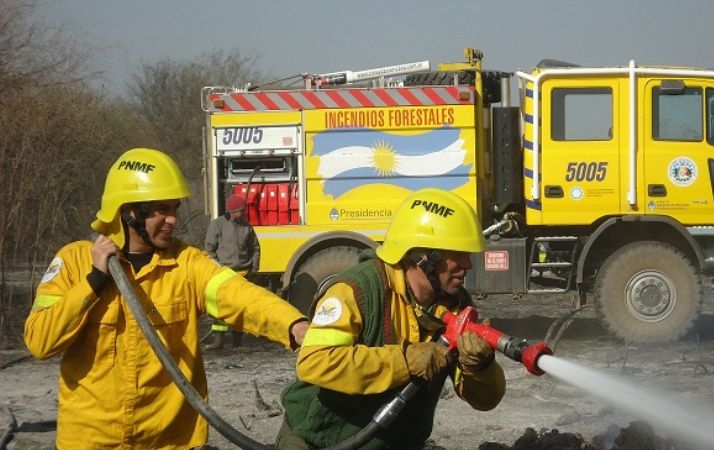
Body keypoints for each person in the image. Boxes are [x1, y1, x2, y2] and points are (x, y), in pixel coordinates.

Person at [24, 147, 308, 449]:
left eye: (175, 208)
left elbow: (241, 296)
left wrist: (294, 325)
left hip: (168, 442)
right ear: (129, 211)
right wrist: (94, 281)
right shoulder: (73, 262)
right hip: (90, 441)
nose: (173, 219)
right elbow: (41, 342)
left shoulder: (186, 265)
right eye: (162, 209)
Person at [278, 188, 506, 449]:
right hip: (316, 440)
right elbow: (314, 362)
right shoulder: (356, 290)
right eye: (458, 254)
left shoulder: (457, 307)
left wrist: (480, 368)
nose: (468, 265)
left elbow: (484, 401)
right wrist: (405, 361)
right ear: (421, 256)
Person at [203, 193, 260, 350]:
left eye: (243, 210)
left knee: (240, 308)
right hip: (224, 274)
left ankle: (237, 341)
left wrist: (254, 267)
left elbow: (255, 248)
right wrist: (217, 268)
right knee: (220, 307)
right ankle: (218, 340)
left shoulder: (247, 227)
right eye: (240, 210)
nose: (243, 213)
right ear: (232, 211)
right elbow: (209, 250)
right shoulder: (217, 225)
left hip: (243, 273)